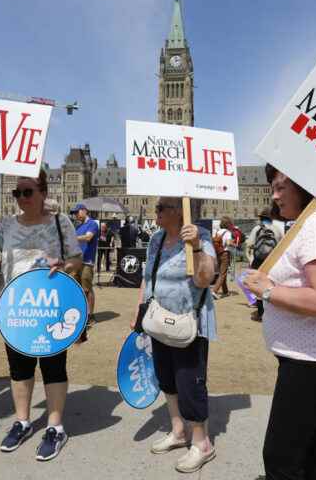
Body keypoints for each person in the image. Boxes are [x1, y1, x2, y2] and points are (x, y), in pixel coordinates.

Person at [243, 165, 316, 480]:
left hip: (315, 359)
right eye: (273, 186)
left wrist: (267, 290)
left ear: (307, 185)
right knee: (313, 446)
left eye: (283, 186)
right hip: (310, 355)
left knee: (281, 458)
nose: (275, 194)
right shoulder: (309, 223)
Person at [0, 169, 82, 461]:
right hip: (17, 308)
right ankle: (23, 421)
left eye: (28, 192)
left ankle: (55, 426)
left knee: (54, 367)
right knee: (19, 368)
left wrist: (64, 266)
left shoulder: (60, 221)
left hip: (51, 307)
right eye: (17, 193)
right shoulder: (6, 225)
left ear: (43, 192)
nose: (21, 198)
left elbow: (77, 260)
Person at [130, 197, 217, 474]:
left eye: (160, 208)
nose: (154, 212)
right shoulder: (156, 238)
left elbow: (206, 279)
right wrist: (139, 310)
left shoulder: (201, 236)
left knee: (189, 381)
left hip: (189, 321)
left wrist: (197, 247)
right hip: (158, 319)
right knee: (167, 378)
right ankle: (179, 431)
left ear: (179, 211)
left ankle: (202, 443)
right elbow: (148, 277)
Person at [245, 207, 284, 322]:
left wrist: (250, 259)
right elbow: (281, 247)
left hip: (258, 260)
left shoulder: (257, 228)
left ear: (261, 218)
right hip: (272, 261)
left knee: (257, 285)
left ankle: (261, 313)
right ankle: (271, 311)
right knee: (271, 284)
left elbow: (249, 245)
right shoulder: (277, 229)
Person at [72, 203, 99, 325]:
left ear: (84, 211)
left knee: (87, 289)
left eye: (77, 212)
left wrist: (72, 238)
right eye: (74, 213)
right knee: (77, 289)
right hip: (76, 262)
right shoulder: (78, 227)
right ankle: (81, 313)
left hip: (87, 261)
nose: (75, 215)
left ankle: (90, 315)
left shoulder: (92, 223)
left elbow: (88, 238)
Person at [212, 218, 233, 299]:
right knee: (222, 273)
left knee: (222, 272)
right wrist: (233, 243)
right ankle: (214, 291)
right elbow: (228, 243)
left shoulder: (217, 232)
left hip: (218, 253)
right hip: (225, 253)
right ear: (228, 224)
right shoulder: (227, 233)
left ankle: (225, 291)